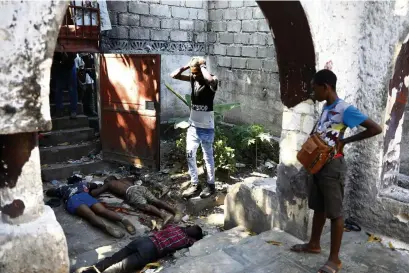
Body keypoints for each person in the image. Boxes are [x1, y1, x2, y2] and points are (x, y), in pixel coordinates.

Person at [290, 69, 382, 273]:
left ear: (326, 87)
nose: (313, 93)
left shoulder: (345, 109)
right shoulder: (326, 107)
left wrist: (345, 142)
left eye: (315, 88)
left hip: (333, 166)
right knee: (319, 208)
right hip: (318, 165)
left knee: (335, 213)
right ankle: (314, 244)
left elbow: (375, 128)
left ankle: (334, 260)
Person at [170, 57, 219, 199]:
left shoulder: (213, 81)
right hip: (193, 127)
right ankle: (194, 185)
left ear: (202, 69)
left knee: (207, 157)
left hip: (207, 128)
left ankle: (211, 186)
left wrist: (202, 66)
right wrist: (187, 66)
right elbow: (174, 75)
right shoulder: (193, 79)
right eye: (193, 73)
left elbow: (209, 80)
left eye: (197, 73)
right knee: (190, 154)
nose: (195, 75)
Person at [75, 224, 203, 273]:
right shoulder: (186, 240)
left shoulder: (175, 227)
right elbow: (194, 242)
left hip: (143, 240)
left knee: (115, 258)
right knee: (120, 267)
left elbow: (165, 226)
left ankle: (91, 271)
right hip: (151, 250)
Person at [46, 181, 136, 238]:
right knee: (103, 211)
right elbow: (95, 185)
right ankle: (123, 220)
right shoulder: (83, 183)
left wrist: (59, 190)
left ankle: (106, 227)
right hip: (85, 196)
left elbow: (49, 192)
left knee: (90, 215)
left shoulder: (63, 188)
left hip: (73, 199)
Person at [90, 176, 177, 226]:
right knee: (155, 200)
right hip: (138, 187)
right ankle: (174, 211)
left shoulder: (109, 183)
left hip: (131, 192)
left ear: (108, 180)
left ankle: (164, 216)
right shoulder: (124, 179)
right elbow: (133, 178)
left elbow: (95, 193)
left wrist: (92, 188)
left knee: (146, 206)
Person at [52, 51, 78, 119]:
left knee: (72, 88)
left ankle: (73, 110)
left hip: (69, 63)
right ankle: (59, 110)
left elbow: (74, 54)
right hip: (59, 64)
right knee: (58, 88)